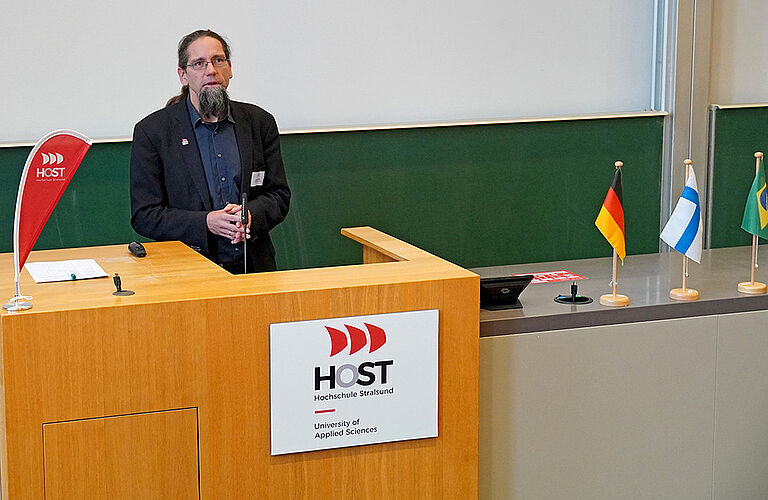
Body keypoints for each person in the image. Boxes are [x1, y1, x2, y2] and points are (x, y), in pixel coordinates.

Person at [130, 29, 290, 273]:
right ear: (183, 75)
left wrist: (251, 216)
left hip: (255, 268)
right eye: (199, 63)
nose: (211, 70)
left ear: (230, 69)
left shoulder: (259, 122)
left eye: (218, 60)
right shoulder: (153, 131)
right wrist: (206, 222)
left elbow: (278, 195)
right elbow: (145, 215)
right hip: (186, 272)